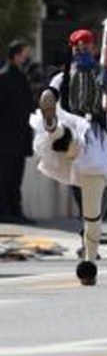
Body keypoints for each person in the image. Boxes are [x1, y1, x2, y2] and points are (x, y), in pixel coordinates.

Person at [32, 28, 107, 285]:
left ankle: (89, 259)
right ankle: (54, 127)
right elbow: (50, 94)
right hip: (71, 138)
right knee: (64, 134)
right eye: (77, 48)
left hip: (96, 144)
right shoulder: (61, 78)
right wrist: (51, 106)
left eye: (86, 48)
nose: (81, 52)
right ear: (71, 50)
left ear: (95, 49)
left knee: (92, 211)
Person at [0, 39, 36, 224]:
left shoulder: (22, 76)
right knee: (4, 176)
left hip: (20, 136)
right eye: (24, 53)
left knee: (16, 177)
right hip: (6, 138)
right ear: (15, 55)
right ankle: (4, 211)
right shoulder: (4, 77)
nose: (27, 57)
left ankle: (15, 211)